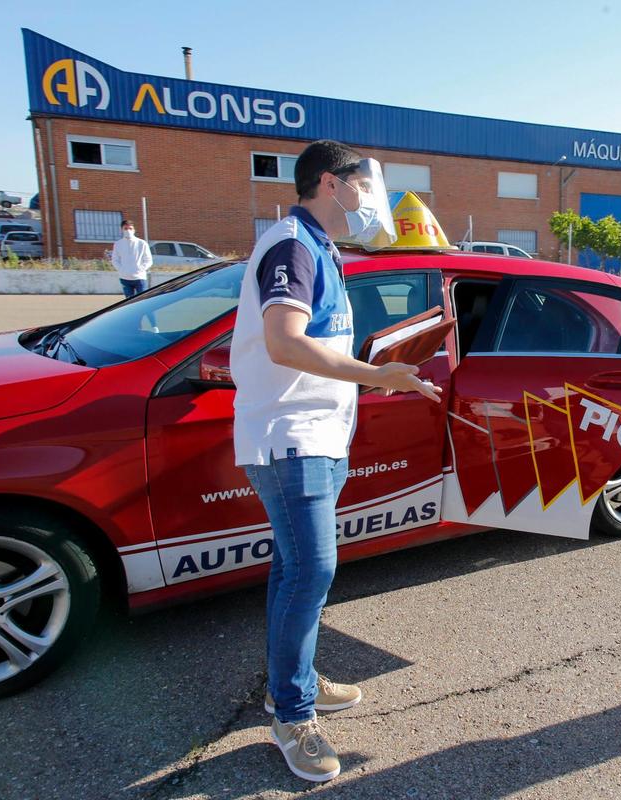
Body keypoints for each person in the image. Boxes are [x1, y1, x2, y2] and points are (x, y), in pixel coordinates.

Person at [231, 139, 440, 782]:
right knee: (311, 572)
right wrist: (381, 378)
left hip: (314, 436)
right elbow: (285, 342)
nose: (367, 195)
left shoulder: (318, 246)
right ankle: (292, 714)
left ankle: (289, 684)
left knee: (295, 570)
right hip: (290, 439)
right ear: (331, 182)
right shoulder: (292, 244)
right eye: (361, 182)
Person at [111, 219, 152, 297]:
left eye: (130, 228)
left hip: (140, 278)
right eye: (125, 229)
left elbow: (148, 260)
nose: (128, 231)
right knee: (129, 302)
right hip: (125, 278)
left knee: (143, 300)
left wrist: (140, 269)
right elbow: (115, 260)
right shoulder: (118, 244)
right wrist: (122, 269)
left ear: (134, 230)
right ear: (122, 230)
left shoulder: (142, 243)